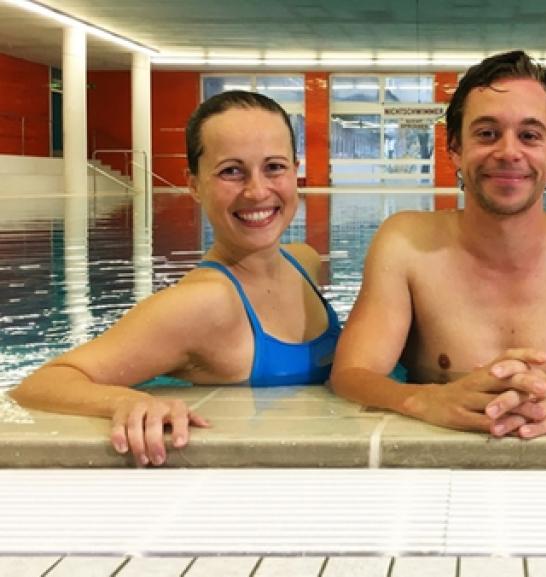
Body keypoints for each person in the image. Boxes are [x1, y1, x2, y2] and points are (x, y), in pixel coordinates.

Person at [330, 50, 546, 438]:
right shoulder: (406, 243)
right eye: (486, 133)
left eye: (529, 135)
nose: (508, 152)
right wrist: (424, 400)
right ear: (455, 148)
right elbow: (351, 373)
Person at [10, 91, 341, 464]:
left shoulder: (303, 262)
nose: (257, 190)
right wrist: (128, 400)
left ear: (295, 171)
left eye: (274, 167)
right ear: (195, 185)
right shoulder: (202, 304)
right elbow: (40, 383)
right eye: (231, 171)